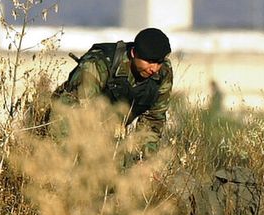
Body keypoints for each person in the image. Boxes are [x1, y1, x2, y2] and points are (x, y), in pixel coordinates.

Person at [54, 27, 174, 157]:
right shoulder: (98, 64)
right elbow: (78, 113)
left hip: (110, 136)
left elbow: (153, 120)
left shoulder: (162, 73)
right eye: (149, 62)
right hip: (68, 126)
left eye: (159, 62)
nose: (154, 68)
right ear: (134, 53)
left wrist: (145, 162)